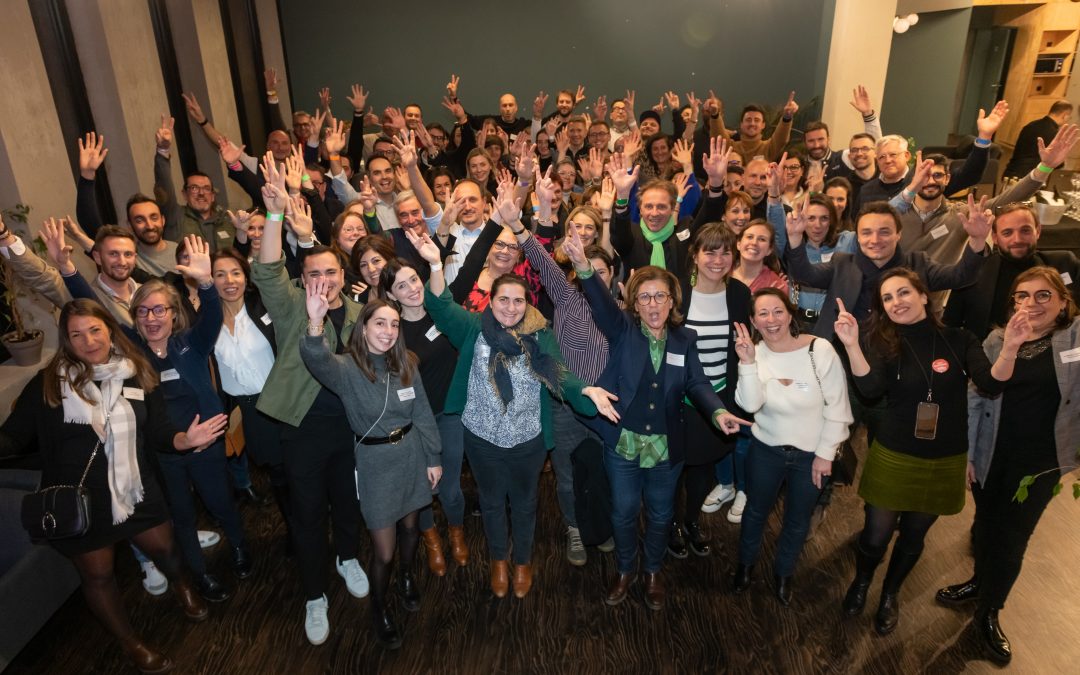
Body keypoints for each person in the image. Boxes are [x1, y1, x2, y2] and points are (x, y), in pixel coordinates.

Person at [0, 299, 228, 673]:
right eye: (76, 334)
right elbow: (12, 437)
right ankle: (130, 643)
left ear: (109, 329)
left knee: (166, 548)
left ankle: (183, 586)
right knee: (98, 575)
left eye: (95, 330)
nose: (88, 341)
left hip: (135, 488)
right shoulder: (49, 383)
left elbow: (159, 431)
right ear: (66, 340)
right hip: (80, 501)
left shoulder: (136, 372)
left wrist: (183, 440)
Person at [424, 207, 612, 599]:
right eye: (503, 300)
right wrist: (434, 264)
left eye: (518, 301)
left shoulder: (540, 335)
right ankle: (498, 560)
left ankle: (522, 561)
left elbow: (560, 374)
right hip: (481, 438)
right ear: (491, 301)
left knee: (525, 504)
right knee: (492, 503)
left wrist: (585, 391)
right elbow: (440, 307)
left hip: (528, 440)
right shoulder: (473, 328)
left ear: (528, 304)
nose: (511, 307)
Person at [565, 238, 748, 610]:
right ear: (634, 303)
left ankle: (651, 571)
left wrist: (718, 412)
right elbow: (601, 303)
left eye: (659, 296)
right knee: (623, 512)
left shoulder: (685, 338)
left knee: (662, 514)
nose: (652, 304)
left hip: (667, 447)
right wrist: (583, 265)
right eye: (644, 297)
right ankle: (625, 569)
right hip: (624, 444)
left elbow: (698, 382)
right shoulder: (622, 330)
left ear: (671, 301)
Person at [832, 268, 1017, 634]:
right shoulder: (884, 343)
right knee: (875, 535)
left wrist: (1010, 348)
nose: (896, 302)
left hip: (944, 458)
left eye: (903, 293)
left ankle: (890, 593)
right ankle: (862, 582)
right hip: (894, 453)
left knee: (914, 536)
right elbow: (869, 390)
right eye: (887, 298)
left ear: (923, 296)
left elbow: (990, 383)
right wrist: (852, 345)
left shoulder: (960, 338)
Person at [936, 267, 1080, 664]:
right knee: (984, 524)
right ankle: (979, 582)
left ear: (1062, 302)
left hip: (1040, 464)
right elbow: (975, 395)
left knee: (1013, 538)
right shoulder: (998, 339)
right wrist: (967, 453)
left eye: (1043, 295)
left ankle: (989, 611)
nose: (1031, 303)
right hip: (990, 451)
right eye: (1022, 296)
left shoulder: (1075, 337)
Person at [251, 158, 367, 646]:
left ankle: (348, 558)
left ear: (343, 273)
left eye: (331, 271)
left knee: (348, 502)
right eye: (313, 272)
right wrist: (275, 214)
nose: (323, 279)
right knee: (307, 511)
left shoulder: (361, 312)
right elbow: (266, 270)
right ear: (303, 276)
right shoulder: (291, 306)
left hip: (351, 428)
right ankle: (314, 595)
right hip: (301, 429)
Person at [300, 291, 442, 650]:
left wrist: (433, 457)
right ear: (363, 328)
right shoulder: (347, 369)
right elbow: (315, 359)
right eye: (380, 323)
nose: (388, 331)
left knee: (411, 528)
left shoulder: (407, 363)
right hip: (376, 465)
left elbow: (423, 412)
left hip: (411, 454)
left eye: (394, 324)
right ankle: (379, 606)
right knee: (384, 552)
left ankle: (406, 578)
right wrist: (315, 322)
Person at [729, 289, 852, 604]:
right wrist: (747, 363)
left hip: (811, 456)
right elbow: (750, 405)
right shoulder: (754, 353)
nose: (771, 320)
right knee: (755, 512)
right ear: (753, 320)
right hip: (765, 451)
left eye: (777, 311)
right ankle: (745, 565)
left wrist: (825, 455)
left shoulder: (819, 350)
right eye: (763, 314)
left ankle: (784, 574)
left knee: (798, 519)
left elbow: (838, 408)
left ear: (789, 314)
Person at [784, 200, 992, 340]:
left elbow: (961, 276)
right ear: (858, 237)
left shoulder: (917, 264)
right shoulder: (842, 264)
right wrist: (795, 237)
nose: (875, 240)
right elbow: (804, 275)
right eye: (866, 233)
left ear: (898, 234)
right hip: (842, 355)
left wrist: (977, 240)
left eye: (884, 232)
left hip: (901, 358)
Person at [378, 257, 468, 575]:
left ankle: (456, 533)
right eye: (401, 286)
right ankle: (431, 540)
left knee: (450, 487)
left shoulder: (441, 313)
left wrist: (435, 263)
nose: (412, 289)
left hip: (450, 413)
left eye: (414, 280)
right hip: (415, 421)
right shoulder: (393, 331)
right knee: (423, 487)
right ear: (392, 294)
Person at [668, 224, 751, 558]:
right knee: (675, 467)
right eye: (710, 252)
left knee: (703, 467)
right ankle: (672, 524)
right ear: (695, 255)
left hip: (719, 397)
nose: (718, 260)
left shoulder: (739, 294)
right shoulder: (677, 291)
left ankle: (691, 521)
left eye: (725, 252)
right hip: (679, 398)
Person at [944, 202, 1080, 340]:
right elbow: (950, 325)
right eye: (1007, 233)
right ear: (995, 237)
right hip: (987, 350)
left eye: (1025, 231)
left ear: (1038, 231)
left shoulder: (1065, 263)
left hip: (1058, 349)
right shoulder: (974, 270)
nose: (1017, 239)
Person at [1002, 100, 1073, 178]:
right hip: (1028, 178)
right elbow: (1055, 163)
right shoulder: (1054, 134)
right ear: (1065, 116)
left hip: (1010, 173)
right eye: (1069, 117)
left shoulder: (1030, 125)